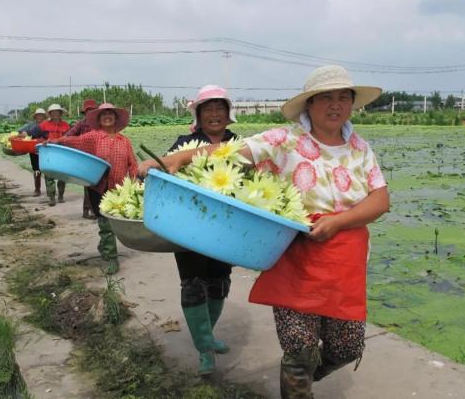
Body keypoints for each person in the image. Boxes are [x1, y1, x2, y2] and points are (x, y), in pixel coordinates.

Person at [138, 65, 390, 398]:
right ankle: (297, 380)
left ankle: (303, 376)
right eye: (326, 97)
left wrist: (338, 222)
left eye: (344, 97)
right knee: (299, 349)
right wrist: (180, 158)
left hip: (346, 262)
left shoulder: (360, 149)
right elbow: (228, 152)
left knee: (346, 347)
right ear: (308, 105)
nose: (335, 105)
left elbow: (381, 199)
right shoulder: (285, 140)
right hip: (296, 256)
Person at [167, 85, 238, 375]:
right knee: (194, 283)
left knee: (219, 282)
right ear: (198, 114)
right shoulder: (184, 143)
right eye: (207, 109)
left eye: (220, 108)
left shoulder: (238, 143)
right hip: (189, 227)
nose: (214, 114)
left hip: (226, 227)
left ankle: (208, 335)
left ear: (228, 114)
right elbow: (168, 170)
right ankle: (205, 349)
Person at [52, 103, 138, 274]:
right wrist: (55, 141)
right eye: (103, 114)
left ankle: (104, 245)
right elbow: (73, 141)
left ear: (115, 118)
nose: (107, 116)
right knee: (105, 223)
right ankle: (111, 258)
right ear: (99, 119)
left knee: (112, 222)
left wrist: (135, 182)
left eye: (110, 114)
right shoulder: (94, 137)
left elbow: (132, 164)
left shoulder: (125, 141)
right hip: (98, 186)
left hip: (118, 188)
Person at [66, 99, 99, 219]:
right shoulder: (81, 124)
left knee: (97, 184)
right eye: (88, 110)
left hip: (98, 157)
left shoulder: (99, 124)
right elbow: (68, 136)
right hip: (85, 158)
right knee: (88, 184)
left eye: (92, 110)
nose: (90, 112)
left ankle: (94, 209)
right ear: (84, 112)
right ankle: (88, 210)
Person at [39, 104, 70, 206]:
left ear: (60, 113)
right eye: (53, 112)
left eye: (57, 112)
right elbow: (37, 136)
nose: (55, 114)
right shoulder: (44, 125)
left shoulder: (66, 125)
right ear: (50, 114)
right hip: (48, 152)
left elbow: (70, 138)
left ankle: (60, 196)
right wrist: (43, 141)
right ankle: (52, 197)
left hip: (62, 153)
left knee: (62, 175)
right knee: (49, 175)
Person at [15, 108, 46, 196]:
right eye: (38, 115)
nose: (39, 117)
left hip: (46, 150)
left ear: (44, 117)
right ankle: (37, 189)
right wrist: (23, 133)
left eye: (41, 115)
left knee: (48, 170)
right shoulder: (31, 126)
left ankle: (50, 191)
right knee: (36, 170)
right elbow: (20, 132)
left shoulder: (48, 125)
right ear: (35, 117)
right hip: (34, 150)